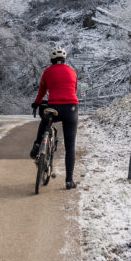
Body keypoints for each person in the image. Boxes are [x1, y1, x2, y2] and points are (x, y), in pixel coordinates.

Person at [30, 45, 79, 189]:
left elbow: (42, 91)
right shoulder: (72, 71)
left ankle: (38, 144)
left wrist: (36, 104)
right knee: (70, 146)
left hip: (54, 107)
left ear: (52, 59)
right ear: (64, 59)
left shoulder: (47, 72)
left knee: (45, 121)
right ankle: (69, 181)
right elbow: (74, 90)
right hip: (71, 108)